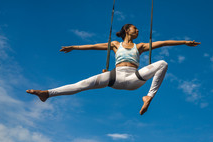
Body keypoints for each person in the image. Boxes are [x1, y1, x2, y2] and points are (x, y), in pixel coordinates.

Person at [27, 24, 200, 115]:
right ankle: (47, 93)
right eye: (135, 28)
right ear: (127, 30)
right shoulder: (116, 45)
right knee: (82, 84)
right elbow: (95, 46)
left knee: (162, 63)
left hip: (135, 79)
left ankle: (149, 96)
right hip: (115, 77)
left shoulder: (140, 46)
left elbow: (162, 43)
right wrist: (74, 47)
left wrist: (184, 42)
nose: (138, 30)